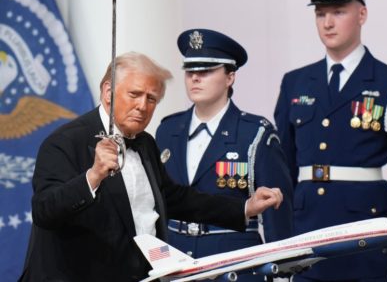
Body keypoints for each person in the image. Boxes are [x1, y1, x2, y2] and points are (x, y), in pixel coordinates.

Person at [18, 52, 283, 282]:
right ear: (108, 92)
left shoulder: (144, 143)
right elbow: (44, 210)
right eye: (134, 94)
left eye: (152, 98)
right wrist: (93, 176)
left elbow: (173, 198)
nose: (143, 106)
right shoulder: (64, 142)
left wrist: (244, 207)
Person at [274, 0, 387, 282]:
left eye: (339, 11)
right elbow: (281, 174)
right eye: (320, 13)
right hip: (304, 241)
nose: (327, 23)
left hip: (365, 243)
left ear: (362, 14)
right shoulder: (295, 83)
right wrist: (276, 251)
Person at [155, 29, 293, 280]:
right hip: (174, 262)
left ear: (230, 77)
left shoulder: (255, 134)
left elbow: (276, 210)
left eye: (206, 71)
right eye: (190, 71)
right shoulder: (167, 130)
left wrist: (282, 271)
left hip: (233, 264)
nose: (195, 78)